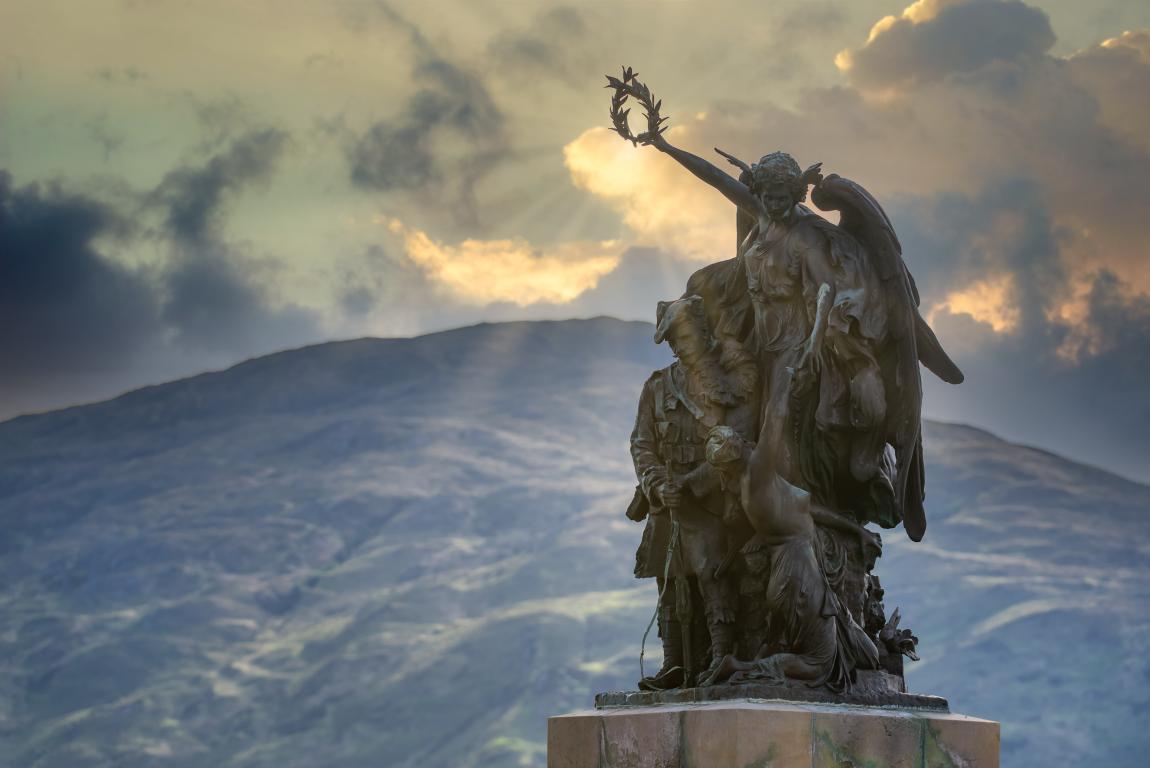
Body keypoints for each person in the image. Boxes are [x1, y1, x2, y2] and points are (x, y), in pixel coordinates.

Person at [628, 295, 757, 689]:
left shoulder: (727, 386)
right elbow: (641, 443)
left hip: (711, 501)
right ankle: (676, 664)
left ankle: (720, 657)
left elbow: (739, 439)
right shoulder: (656, 387)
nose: (679, 345)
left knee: (711, 575)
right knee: (668, 582)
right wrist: (657, 483)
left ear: (702, 334)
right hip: (666, 505)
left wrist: (693, 483)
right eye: (673, 339)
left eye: (684, 336)